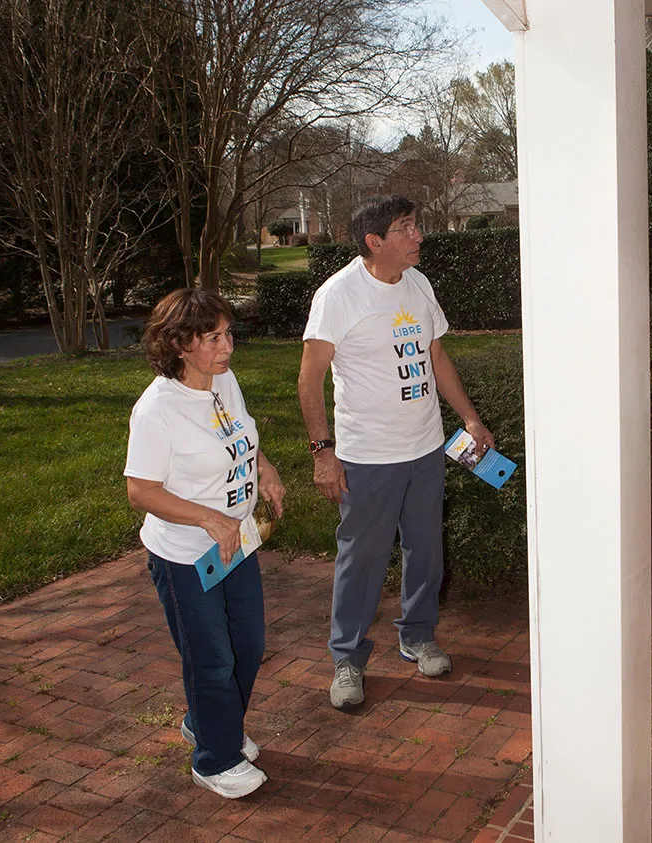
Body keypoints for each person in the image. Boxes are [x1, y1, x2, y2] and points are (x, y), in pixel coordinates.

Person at [298, 194, 494, 710]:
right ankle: (347, 658)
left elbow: (436, 357)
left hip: (426, 449)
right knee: (360, 561)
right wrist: (323, 451)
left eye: (416, 226)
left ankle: (418, 634)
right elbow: (309, 378)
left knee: (425, 550)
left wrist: (469, 418)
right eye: (407, 228)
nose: (419, 236)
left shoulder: (418, 284)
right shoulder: (339, 295)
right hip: (367, 456)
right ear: (374, 241)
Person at [124, 289, 286, 799]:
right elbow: (140, 491)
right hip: (184, 555)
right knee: (210, 658)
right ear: (177, 343)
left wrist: (266, 468)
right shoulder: (157, 410)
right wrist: (207, 518)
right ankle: (215, 759)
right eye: (213, 337)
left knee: (248, 646)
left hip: (236, 542)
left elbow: (241, 436)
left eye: (228, 333)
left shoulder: (224, 382)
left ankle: (207, 721)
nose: (228, 346)